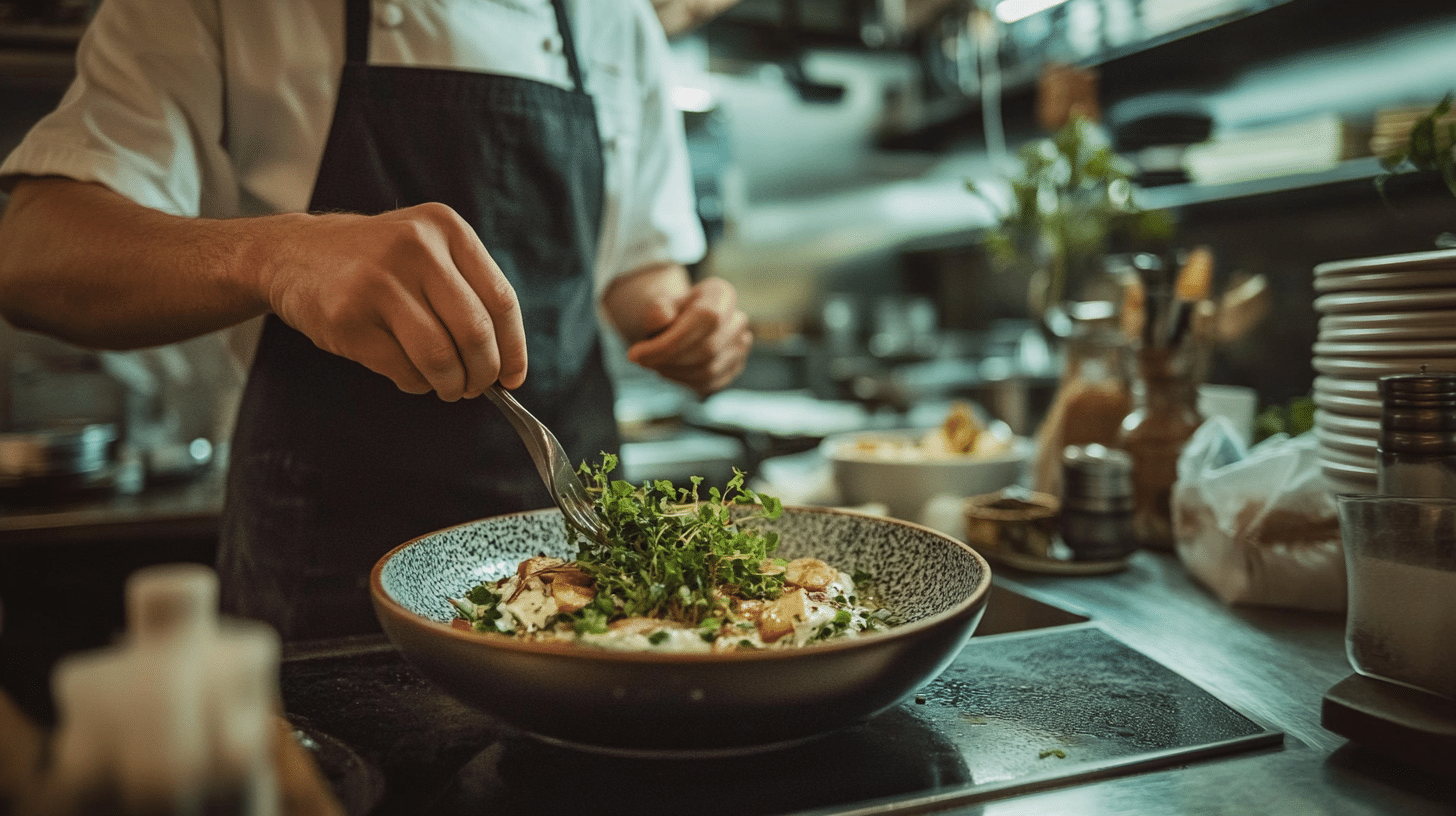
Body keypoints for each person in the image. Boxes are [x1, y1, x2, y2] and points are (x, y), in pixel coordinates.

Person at [0, 0, 753, 641]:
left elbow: (639, 273)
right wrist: (278, 255)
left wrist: (690, 325)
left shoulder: (613, 15)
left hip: (579, 554)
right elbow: (32, 255)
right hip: (329, 561)